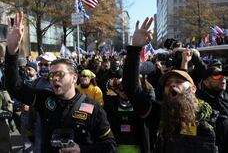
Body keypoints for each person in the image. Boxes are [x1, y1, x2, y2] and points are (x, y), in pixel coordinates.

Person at [5, 12, 116, 153]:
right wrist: (12, 50)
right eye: (51, 75)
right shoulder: (44, 99)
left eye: (60, 74)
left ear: (74, 78)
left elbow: (109, 145)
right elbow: (14, 87)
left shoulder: (93, 107)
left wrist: (81, 150)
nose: (54, 78)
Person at [122, 17, 217, 153]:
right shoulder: (159, 113)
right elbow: (132, 89)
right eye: (167, 83)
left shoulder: (213, 118)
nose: (172, 84)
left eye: (178, 82)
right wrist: (135, 48)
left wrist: (192, 58)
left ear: (193, 89)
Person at [197, 67, 228, 153]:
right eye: (217, 76)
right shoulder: (198, 100)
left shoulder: (226, 97)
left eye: (224, 76)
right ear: (206, 82)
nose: (223, 78)